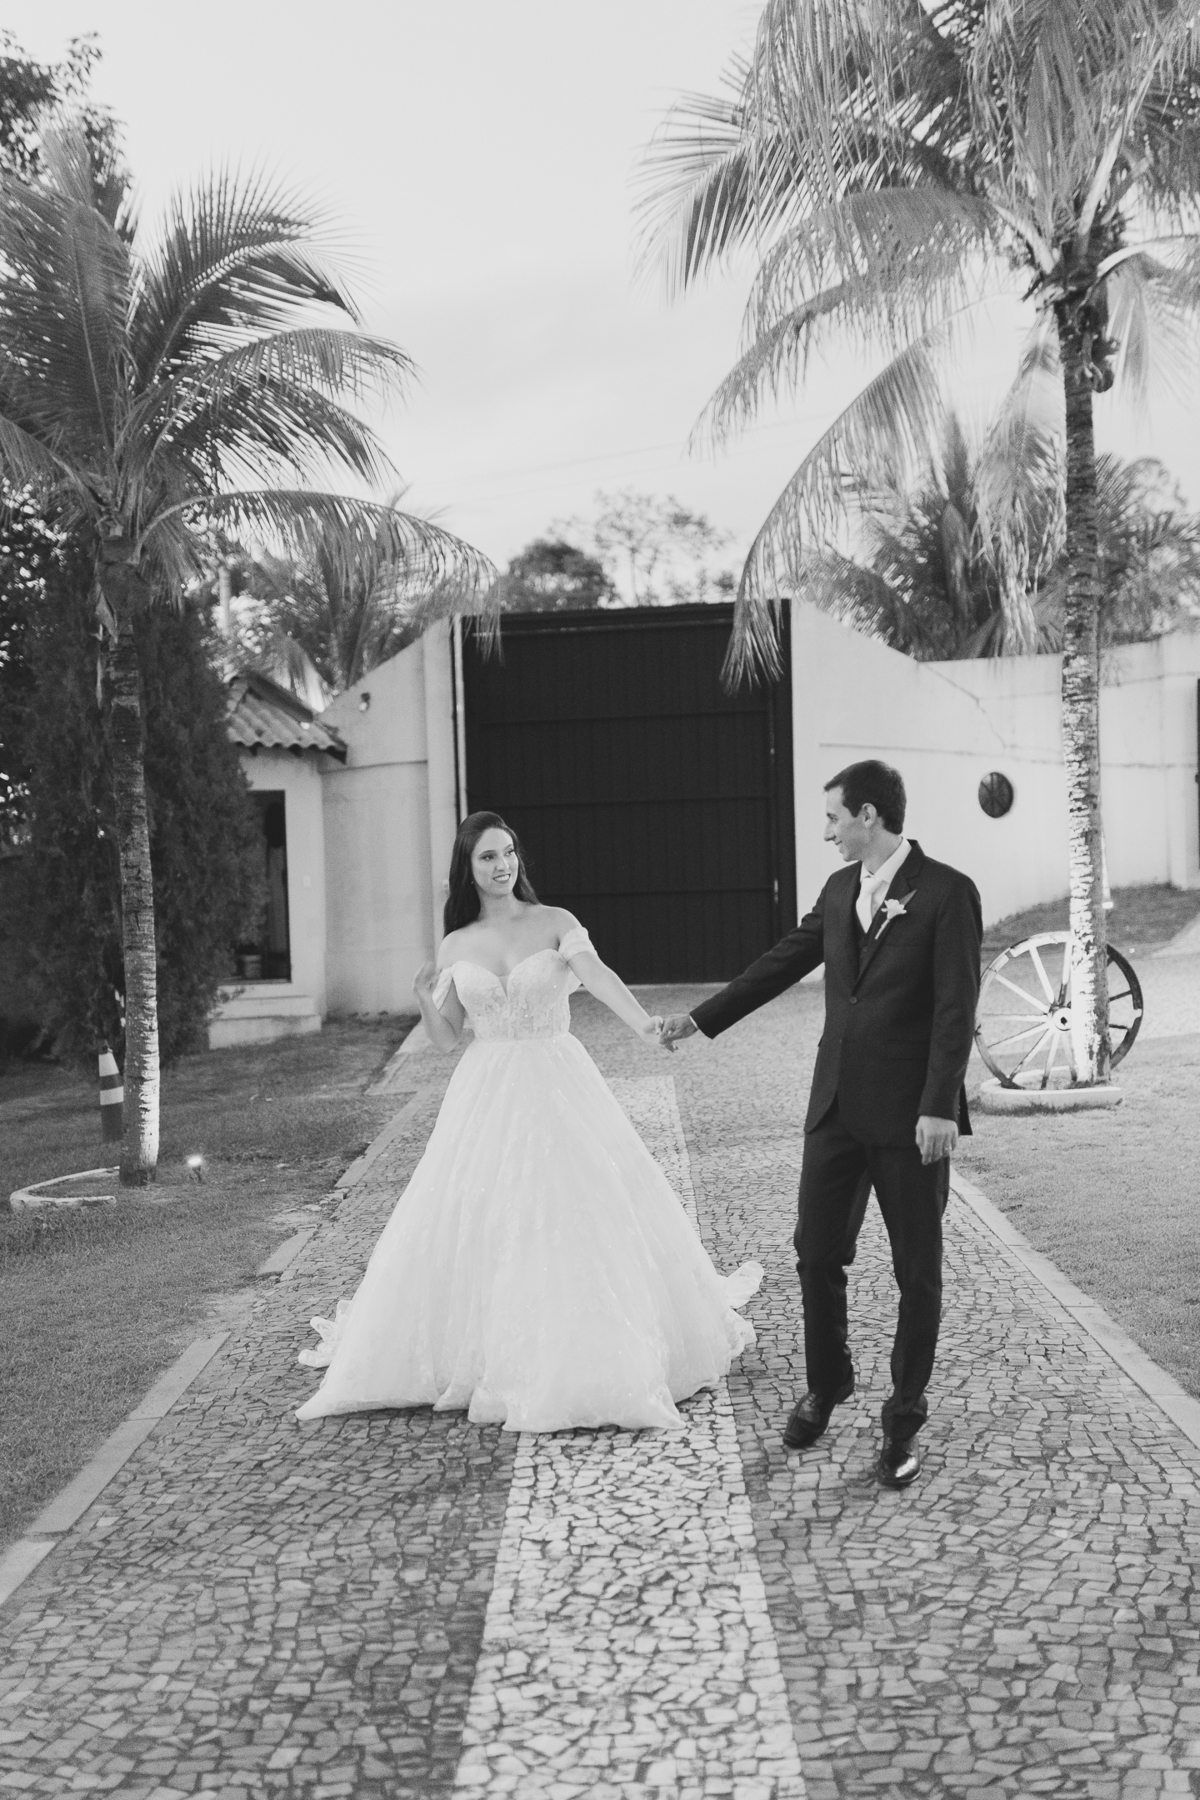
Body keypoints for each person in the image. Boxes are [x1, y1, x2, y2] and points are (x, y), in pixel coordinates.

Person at [296, 810, 761, 1432]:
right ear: (468, 868)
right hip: (485, 1090)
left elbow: (597, 976)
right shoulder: (456, 943)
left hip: (557, 1077)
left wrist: (644, 1026)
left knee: (576, 1202)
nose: (503, 865)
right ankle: (493, 1350)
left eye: (509, 852)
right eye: (488, 856)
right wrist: (422, 998)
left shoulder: (555, 922)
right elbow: (447, 1037)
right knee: (485, 1212)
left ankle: (587, 1347)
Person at [659, 761, 981, 1488]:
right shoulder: (839, 891)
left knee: (916, 1271)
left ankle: (902, 1421)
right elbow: (781, 964)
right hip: (835, 1108)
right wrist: (700, 1019)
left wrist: (939, 1105)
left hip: (912, 1118)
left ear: (868, 815)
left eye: (834, 816)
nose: (827, 830)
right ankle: (828, 1383)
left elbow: (956, 1007)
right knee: (815, 1254)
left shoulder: (947, 892)